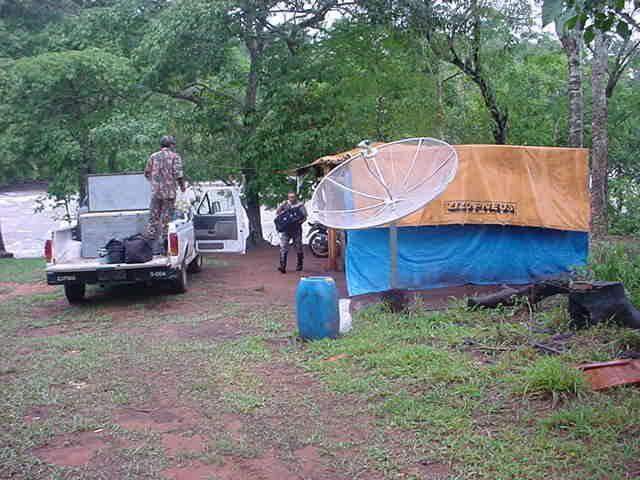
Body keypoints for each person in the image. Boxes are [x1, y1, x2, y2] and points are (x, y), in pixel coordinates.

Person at [144, 135, 186, 254]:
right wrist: (182, 186)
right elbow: (178, 174)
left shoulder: (153, 156)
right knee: (166, 221)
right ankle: (164, 248)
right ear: (171, 145)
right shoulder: (175, 157)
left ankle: (148, 248)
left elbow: (147, 173)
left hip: (156, 193)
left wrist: (155, 183)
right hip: (169, 194)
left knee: (153, 219)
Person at [276, 191, 307, 273]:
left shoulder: (300, 205)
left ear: (296, 197)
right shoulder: (285, 204)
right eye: (290, 197)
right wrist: (282, 208)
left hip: (296, 229)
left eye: (293, 197)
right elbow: (277, 213)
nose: (291, 199)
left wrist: (298, 222)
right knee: (283, 247)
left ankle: (300, 264)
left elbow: (305, 217)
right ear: (288, 197)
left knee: (298, 247)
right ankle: (282, 266)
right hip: (286, 229)